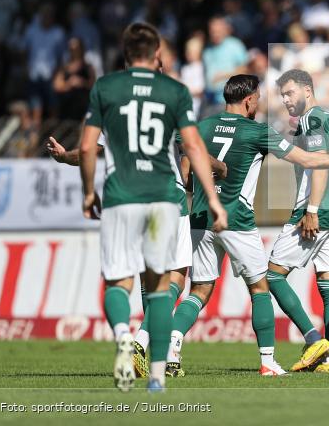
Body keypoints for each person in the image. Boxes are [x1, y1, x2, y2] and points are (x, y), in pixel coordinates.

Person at [167, 75, 329, 376]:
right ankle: (273, 359)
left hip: (201, 218)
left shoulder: (202, 126)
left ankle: (172, 350)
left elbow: (185, 158)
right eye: (262, 97)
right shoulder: (259, 131)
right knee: (261, 286)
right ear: (249, 100)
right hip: (236, 221)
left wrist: (198, 182)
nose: (268, 102)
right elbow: (309, 160)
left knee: (199, 289)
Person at [78, 22, 227, 392]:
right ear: (156, 52)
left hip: (120, 197)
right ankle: (157, 375)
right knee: (162, 284)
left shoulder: (105, 88)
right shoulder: (174, 90)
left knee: (119, 281)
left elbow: (86, 148)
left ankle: (123, 338)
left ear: (125, 52)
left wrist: (87, 192)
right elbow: (193, 147)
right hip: (163, 200)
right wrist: (210, 197)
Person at [267, 69, 329, 373]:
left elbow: (319, 165)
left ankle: (314, 339)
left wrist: (312, 208)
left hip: (317, 210)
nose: (285, 100)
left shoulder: (311, 120)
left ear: (307, 90)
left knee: (273, 276)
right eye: (282, 95)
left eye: (289, 93)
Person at [203, 16, 248, 107]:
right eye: (213, 31)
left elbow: (246, 70)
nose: (215, 34)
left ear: (225, 30)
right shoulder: (207, 50)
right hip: (210, 99)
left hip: (231, 100)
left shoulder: (235, 45)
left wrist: (224, 76)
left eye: (218, 31)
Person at [53, 37, 96, 120]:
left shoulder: (88, 67)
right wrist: (69, 84)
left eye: (76, 48)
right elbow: (56, 86)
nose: (74, 51)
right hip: (66, 109)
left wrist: (82, 82)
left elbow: (94, 86)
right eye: (71, 49)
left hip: (83, 109)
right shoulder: (64, 68)